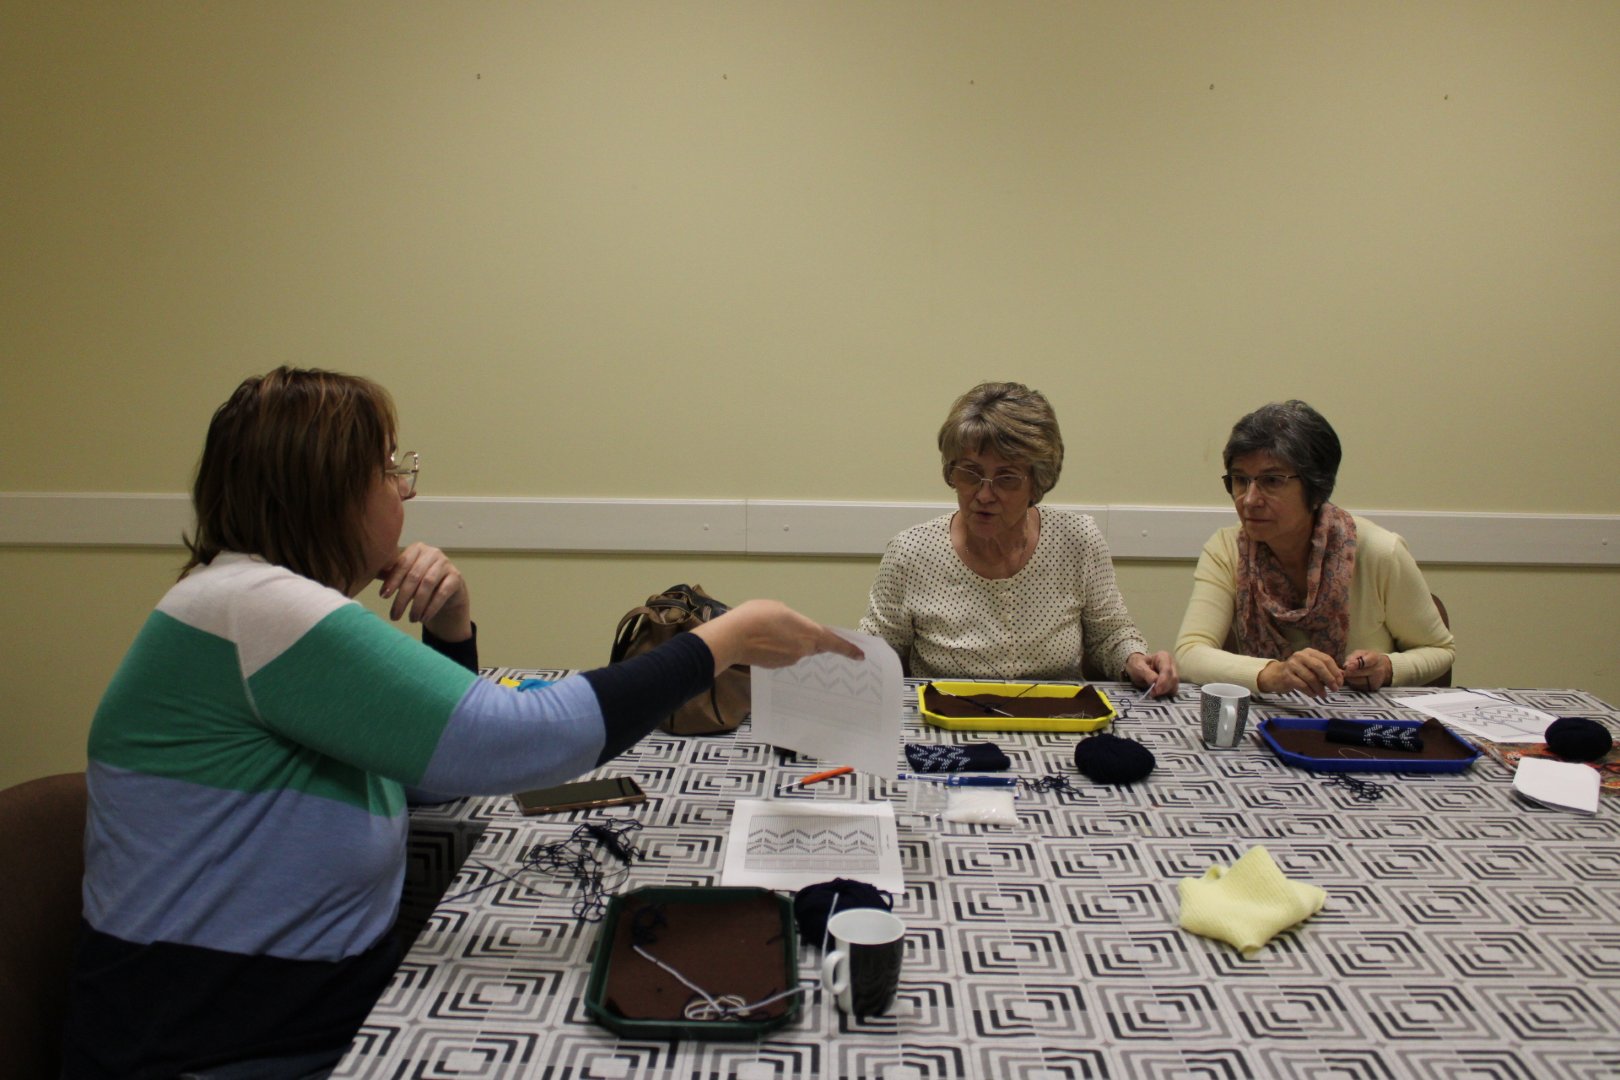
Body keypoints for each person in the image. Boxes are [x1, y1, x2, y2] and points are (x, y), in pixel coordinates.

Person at [62, 367, 862, 1079]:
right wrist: (720, 642)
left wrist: (449, 627)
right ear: (327, 490)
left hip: (276, 1022)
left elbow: (425, 775)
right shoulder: (257, 609)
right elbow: (517, 740)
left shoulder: (238, 603)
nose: (404, 491)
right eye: (388, 469)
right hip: (217, 1051)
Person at [858, 381, 1177, 694]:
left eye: (1007, 478)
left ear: (1037, 483)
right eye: (970, 473)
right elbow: (876, 655)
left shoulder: (1077, 540)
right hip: (946, 720)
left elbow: (1110, 636)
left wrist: (1134, 659)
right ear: (952, 472)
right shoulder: (911, 553)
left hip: (1056, 718)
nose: (984, 495)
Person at [1174, 400, 1454, 696]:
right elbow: (1190, 653)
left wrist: (1388, 667)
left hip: (1362, 720)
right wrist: (1272, 674)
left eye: (1272, 481)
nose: (1250, 499)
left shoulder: (1379, 551)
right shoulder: (1227, 549)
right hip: (1267, 717)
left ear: (1316, 488)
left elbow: (1440, 649)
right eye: (1240, 480)